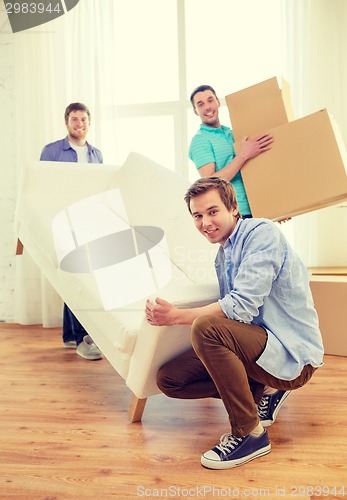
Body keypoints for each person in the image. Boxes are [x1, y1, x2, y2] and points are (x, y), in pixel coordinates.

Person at [145, 177, 324, 470]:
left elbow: (240, 307)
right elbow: (239, 320)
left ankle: (249, 433)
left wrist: (175, 316)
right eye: (198, 216)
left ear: (233, 207)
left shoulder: (262, 233)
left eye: (212, 211)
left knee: (205, 328)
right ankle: (262, 392)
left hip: (292, 354)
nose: (205, 222)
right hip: (260, 347)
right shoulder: (223, 255)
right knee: (170, 379)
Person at [40, 102, 103, 361]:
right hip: (63, 223)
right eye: (74, 120)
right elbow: (41, 187)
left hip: (88, 222)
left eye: (83, 119)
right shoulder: (52, 151)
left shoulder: (96, 154)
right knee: (75, 277)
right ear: (67, 123)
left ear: (89, 122)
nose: (79, 124)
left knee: (78, 277)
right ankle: (83, 338)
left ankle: (69, 335)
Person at [189, 84, 273, 218]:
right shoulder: (200, 140)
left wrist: (277, 206)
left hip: (258, 209)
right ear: (195, 111)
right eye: (200, 104)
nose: (207, 107)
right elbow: (210, 184)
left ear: (218, 102)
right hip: (234, 214)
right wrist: (244, 154)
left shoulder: (233, 133)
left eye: (210, 100)